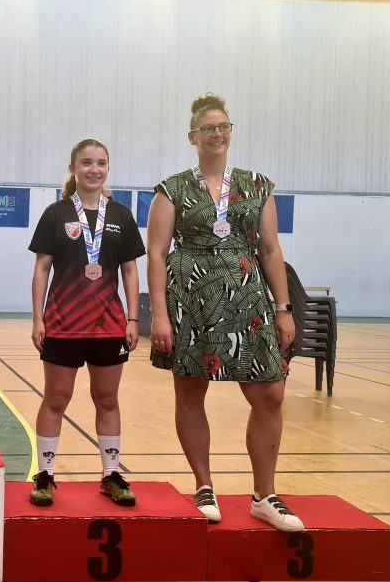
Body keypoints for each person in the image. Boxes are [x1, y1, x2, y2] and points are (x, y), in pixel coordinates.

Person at [147, 93, 303, 531]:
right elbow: (156, 254)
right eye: (208, 128)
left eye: (223, 127)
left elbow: (270, 250)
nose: (217, 134)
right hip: (191, 301)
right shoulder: (172, 189)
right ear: (192, 137)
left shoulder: (257, 185)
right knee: (190, 392)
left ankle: (264, 495)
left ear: (230, 132)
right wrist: (159, 315)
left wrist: (284, 308)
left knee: (270, 394)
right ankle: (204, 486)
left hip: (249, 299)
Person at [27, 139, 145, 507]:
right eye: (86, 162)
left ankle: (111, 475)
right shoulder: (56, 213)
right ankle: (45, 474)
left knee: (107, 400)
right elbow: (42, 269)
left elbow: (130, 270)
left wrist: (133, 318)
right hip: (62, 324)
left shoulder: (121, 215)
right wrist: (37, 318)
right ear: (73, 168)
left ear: (107, 168)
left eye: (101, 163)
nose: (94, 169)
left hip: (109, 326)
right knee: (56, 399)